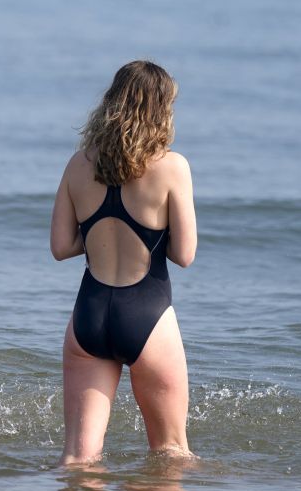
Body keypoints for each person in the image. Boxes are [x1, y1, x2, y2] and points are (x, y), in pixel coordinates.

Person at [50, 61, 197, 464]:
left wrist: (102, 236)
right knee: (170, 452)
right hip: (147, 316)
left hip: (89, 317)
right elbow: (184, 254)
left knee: (78, 459)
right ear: (161, 108)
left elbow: (61, 247)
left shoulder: (78, 163)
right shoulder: (172, 167)